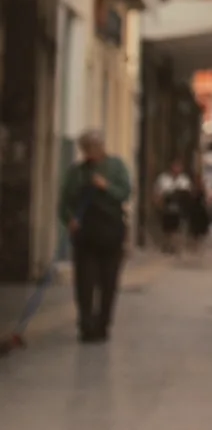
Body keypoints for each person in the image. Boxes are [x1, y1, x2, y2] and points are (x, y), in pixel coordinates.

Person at [58, 130, 131, 343]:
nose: (91, 153)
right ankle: (86, 324)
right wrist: (70, 219)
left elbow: (125, 192)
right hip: (85, 233)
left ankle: (103, 324)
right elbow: (65, 201)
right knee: (85, 281)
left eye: (94, 148)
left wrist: (106, 186)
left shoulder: (116, 167)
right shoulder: (76, 172)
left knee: (108, 281)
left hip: (111, 231)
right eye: (87, 149)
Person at [154, 159, 192, 253]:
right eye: (175, 166)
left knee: (178, 227)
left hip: (180, 206)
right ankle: (167, 244)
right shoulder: (163, 178)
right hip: (167, 206)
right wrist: (158, 202)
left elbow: (188, 193)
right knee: (167, 228)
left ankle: (175, 246)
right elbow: (157, 192)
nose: (177, 169)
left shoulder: (184, 180)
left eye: (179, 167)